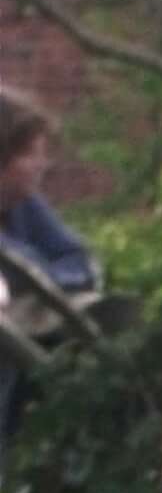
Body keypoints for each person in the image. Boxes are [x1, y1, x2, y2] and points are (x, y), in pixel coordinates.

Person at [0, 86, 101, 447]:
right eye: (30, 154)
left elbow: (81, 264)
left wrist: (33, 274)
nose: (43, 165)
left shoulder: (25, 206)